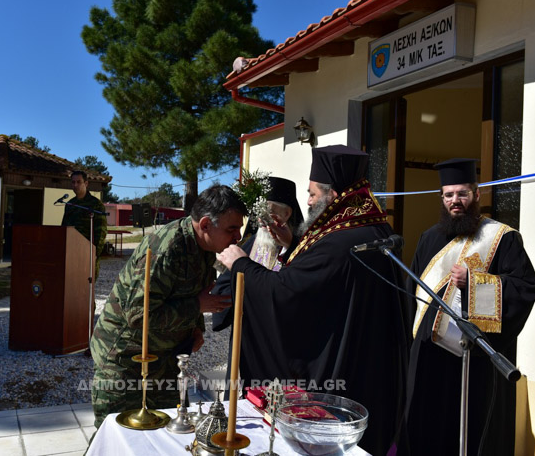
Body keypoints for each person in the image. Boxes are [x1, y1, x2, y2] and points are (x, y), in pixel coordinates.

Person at [217, 145, 411, 456]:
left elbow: (286, 293)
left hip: (340, 376)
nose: (308, 200)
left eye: (312, 193)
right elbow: (325, 281)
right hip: (371, 363)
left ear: (333, 194)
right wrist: (292, 243)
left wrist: (241, 264)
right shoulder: (371, 227)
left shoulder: (339, 241)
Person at [403, 158, 535, 456]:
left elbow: (526, 288)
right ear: (442, 198)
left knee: (470, 431)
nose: (456, 201)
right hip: (431, 356)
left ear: (477, 195)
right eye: (449, 195)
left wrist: (475, 282)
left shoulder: (503, 239)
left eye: (462, 193)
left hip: (474, 360)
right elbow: (414, 299)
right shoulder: (428, 239)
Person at [90, 184, 246, 428]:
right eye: (231, 229)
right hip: (125, 363)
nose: (238, 237)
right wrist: (196, 306)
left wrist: (195, 328)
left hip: (162, 362)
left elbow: (192, 290)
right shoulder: (167, 249)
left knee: (165, 434)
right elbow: (138, 316)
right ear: (205, 224)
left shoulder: (206, 246)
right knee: (119, 438)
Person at [211, 176, 304, 332]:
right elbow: (223, 288)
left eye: (268, 212)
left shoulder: (302, 248)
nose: (261, 220)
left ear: (287, 214)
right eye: (258, 212)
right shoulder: (249, 244)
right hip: (247, 333)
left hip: (281, 333)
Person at [61, 170, 108, 281]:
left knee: (87, 289)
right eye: (73, 182)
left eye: (78, 182)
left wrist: (95, 253)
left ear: (86, 183)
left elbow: (101, 232)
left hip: (88, 253)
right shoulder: (70, 204)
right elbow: (64, 228)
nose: (75, 185)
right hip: (72, 253)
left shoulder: (96, 204)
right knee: (71, 286)